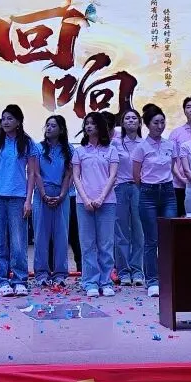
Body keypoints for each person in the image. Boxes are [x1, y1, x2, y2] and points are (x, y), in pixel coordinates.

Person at [0, 104, 39, 297]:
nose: (6, 122)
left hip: (18, 196)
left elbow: (32, 173)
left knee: (18, 241)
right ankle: (0, 281)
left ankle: (19, 280)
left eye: (10, 118)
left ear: (18, 121)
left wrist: (28, 200)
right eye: (3, 118)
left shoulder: (27, 143)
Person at [131, 105, 177, 298]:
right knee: (151, 239)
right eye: (156, 123)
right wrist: (147, 188)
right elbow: (136, 176)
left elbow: (172, 167)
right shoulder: (141, 147)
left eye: (162, 122)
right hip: (148, 193)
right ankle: (152, 280)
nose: (160, 126)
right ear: (148, 125)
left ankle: (168, 278)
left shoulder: (170, 145)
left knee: (168, 237)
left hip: (168, 193)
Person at [73, 112, 119, 297]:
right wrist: (85, 199)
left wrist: (101, 198)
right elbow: (76, 177)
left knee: (106, 243)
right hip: (83, 203)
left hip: (107, 202)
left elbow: (112, 176)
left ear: (100, 126)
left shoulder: (111, 150)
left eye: (92, 123)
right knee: (87, 243)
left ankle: (105, 281)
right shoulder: (80, 151)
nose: (89, 126)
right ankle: (90, 281)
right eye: (87, 123)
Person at [33, 115, 72, 288]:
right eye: (47, 125)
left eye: (53, 126)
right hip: (42, 192)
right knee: (41, 235)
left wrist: (62, 195)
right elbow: (35, 173)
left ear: (61, 129)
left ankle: (60, 274)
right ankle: (41, 273)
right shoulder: (37, 148)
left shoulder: (69, 149)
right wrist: (43, 194)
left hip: (61, 194)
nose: (49, 128)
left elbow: (69, 174)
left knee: (61, 236)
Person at [111, 109, 145, 286]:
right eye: (127, 118)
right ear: (122, 123)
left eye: (134, 118)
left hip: (140, 188)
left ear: (139, 122)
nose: (131, 121)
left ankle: (137, 270)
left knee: (139, 231)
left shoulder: (145, 143)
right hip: (120, 188)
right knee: (121, 231)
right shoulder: (115, 143)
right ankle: (123, 271)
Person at [168, 95, 191, 215]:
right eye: (188, 107)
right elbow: (172, 160)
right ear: (184, 110)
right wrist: (181, 178)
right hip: (180, 184)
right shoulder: (176, 133)